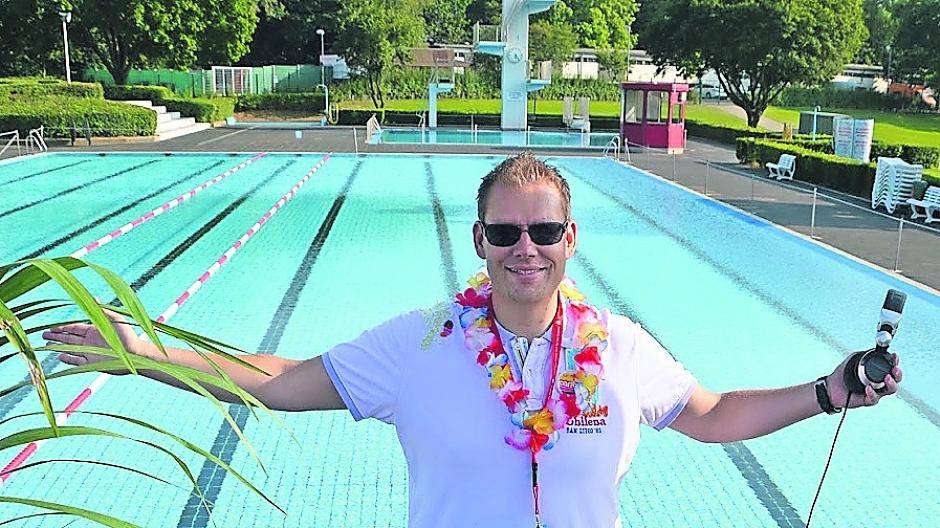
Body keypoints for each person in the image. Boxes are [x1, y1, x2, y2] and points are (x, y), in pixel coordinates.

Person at [45, 152, 902, 528]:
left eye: (543, 232)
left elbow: (711, 413)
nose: (523, 249)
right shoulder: (419, 344)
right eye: (504, 233)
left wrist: (827, 391)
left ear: (572, 240)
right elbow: (278, 379)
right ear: (479, 242)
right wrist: (144, 349)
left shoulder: (618, 345)